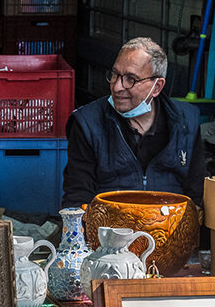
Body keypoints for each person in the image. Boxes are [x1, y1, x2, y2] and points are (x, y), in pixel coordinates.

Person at [61, 37, 206, 209]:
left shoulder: (185, 120)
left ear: (157, 87)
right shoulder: (88, 123)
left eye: (131, 79)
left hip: (169, 227)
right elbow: (77, 196)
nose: (117, 87)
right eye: (115, 75)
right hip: (109, 230)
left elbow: (197, 190)